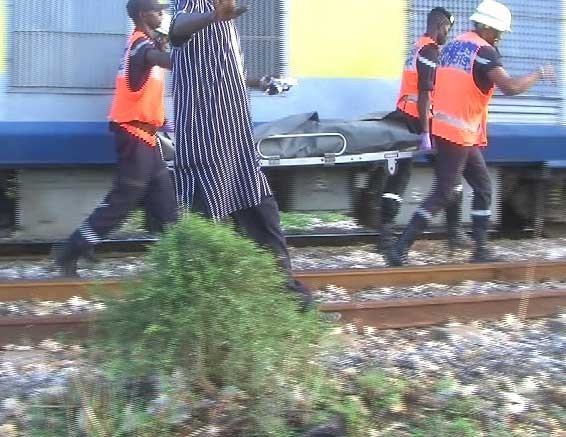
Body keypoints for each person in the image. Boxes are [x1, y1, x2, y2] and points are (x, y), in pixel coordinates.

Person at [386, 0, 555, 266]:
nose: (500, 37)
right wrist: (539, 73)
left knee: (483, 186)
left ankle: (480, 249)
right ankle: (399, 248)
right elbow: (510, 87)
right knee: (443, 192)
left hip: (445, 127)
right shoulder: (484, 51)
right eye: (499, 31)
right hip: (457, 132)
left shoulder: (453, 46)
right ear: (487, 28)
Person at [169, 0, 313, 308]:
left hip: (235, 135)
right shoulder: (199, 5)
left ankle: (293, 305)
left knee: (262, 212)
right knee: (206, 223)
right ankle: (196, 312)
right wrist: (212, 15)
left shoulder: (226, 19)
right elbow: (176, 29)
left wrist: (261, 82)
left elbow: (226, 70)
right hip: (207, 136)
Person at [54, 0, 178, 276]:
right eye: (158, 11)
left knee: (164, 198)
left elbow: (158, 59)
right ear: (142, 14)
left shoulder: (146, 43)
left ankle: (178, 258)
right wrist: (185, 57)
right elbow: (162, 59)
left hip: (146, 136)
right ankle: (73, 249)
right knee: (127, 196)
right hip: (134, 135)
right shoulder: (141, 48)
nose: (162, 15)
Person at [378, 7, 471, 256]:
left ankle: (385, 235)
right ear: (440, 26)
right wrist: (426, 133)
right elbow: (424, 93)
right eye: (447, 31)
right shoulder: (429, 50)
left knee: (399, 176)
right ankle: (454, 232)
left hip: (404, 115)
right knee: (450, 176)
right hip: (420, 120)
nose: (447, 36)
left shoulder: (416, 46)